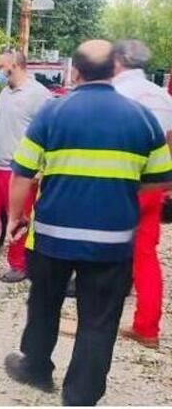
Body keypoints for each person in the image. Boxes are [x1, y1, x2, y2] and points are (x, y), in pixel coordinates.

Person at [3, 40, 172, 406]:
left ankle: (35, 368)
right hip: (112, 242)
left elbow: (22, 172)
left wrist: (16, 217)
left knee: (44, 304)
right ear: (115, 69)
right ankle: (81, 395)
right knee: (99, 319)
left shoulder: (53, 112)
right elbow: (161, 179)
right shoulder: (142, 117)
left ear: (75, 72)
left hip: (52, 238)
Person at [112, 39, 172, 349]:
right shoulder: (162, 96)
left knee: (106, 247)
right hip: (153, 185)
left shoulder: (117, 93)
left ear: (119, 61)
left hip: (121, 184)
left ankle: (99, 313)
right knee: (146, 255)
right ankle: (147, 327)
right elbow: (170, 141)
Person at [0, 49, 50, 282]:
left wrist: (39, 169)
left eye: (0, 65)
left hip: (19, 172)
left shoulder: (39, 95)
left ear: (14, 65)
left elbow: (49, 133)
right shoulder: (5, 93)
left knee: (19, 219)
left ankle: (18, 265)